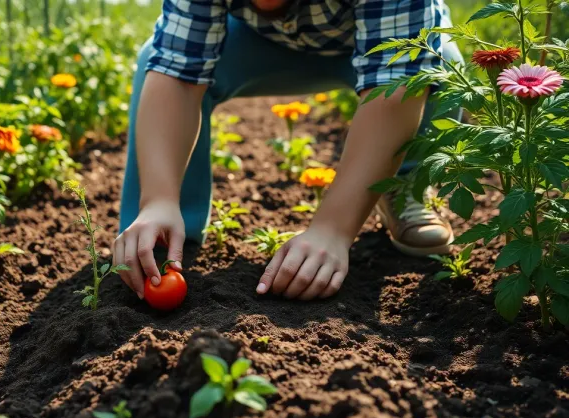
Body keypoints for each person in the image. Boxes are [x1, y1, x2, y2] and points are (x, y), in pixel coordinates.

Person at [113, 0, 463, 301]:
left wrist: (333, 229)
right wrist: (157, 199)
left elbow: (395, 88)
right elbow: (176, 71)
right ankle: (166, 227)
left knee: (439, 60)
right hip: (258, 43)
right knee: (153, 59)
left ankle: (404, 187)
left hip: (373, 41)